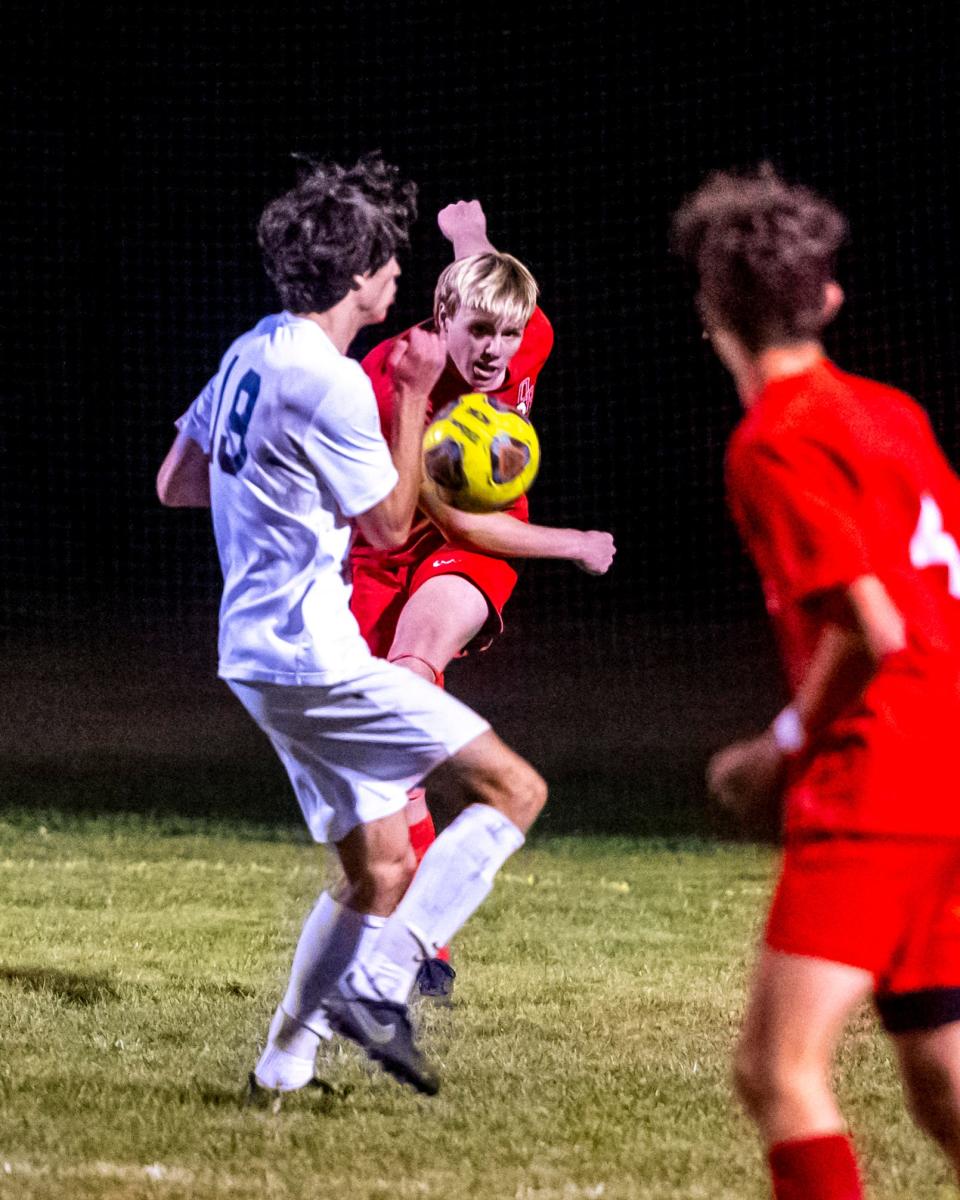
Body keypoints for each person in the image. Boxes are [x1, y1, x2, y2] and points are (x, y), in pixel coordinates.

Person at [156, 153, 547, 1098]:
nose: (398, 276)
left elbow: (176, 482)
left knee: (379, 870)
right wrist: (413, 396)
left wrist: (280, 493)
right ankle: (378, 987)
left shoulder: (252, 350)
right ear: (362, 276)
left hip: (253, 655)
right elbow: (383, 523)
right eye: (388, 262)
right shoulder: (333, 380)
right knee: (513, 789)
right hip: (315, 659)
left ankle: (280, 1069)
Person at [672, 165, 960, 1199]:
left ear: (713, 310)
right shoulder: (894, 412)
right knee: (939, 1073)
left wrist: (776, 750)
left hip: (882, 779)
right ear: (828, 297)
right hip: (953, 767)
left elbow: (871, 627)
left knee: (777, 1072)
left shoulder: (775, 438)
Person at [350, 200, 615, 993]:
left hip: (481, 542)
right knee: (386, 752)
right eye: (479, 332)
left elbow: (483, 268)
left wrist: (467, 230)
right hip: (390, 540)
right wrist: (573, 544)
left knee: (413, 669)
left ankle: (420, 947)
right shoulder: (396, 376)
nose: (497, 350)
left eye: (510, 332)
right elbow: (437, 511)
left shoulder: (527, 333)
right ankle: (418, 942)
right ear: (443, 317)